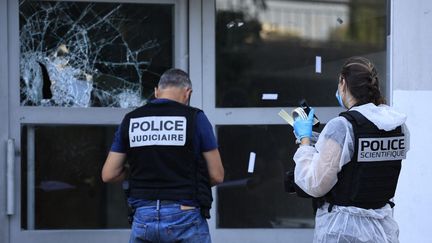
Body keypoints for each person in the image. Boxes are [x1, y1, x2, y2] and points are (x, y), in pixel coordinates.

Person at [292, 56, 410, 243]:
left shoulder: (342, 126)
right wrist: (322, 140)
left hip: (343, 232)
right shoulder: (397, 125)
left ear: (343, 83)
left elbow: (316, 183)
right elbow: (364, 162)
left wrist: (304, 140)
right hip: (382, 232)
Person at [101, 68, 224, 243]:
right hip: (185, 215)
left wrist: (134, 175)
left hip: (143, 217)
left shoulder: (131, 120)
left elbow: (109, 174)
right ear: (187, 93)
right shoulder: (195, 118)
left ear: (156, 92)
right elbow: (217, 175)